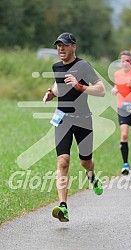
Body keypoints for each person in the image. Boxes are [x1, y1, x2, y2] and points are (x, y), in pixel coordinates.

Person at [43, 32, 106, 222]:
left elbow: (101, 90)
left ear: (73, 47)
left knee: (85, 161)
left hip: (83, 119)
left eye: (64, 45)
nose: (60, 49)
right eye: (58, 46)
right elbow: (59, 83)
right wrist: (51, 93)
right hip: (62, 118)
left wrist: (80, 87)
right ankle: (63, 207)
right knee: (63, 161)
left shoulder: (83, 66)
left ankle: (91, 175)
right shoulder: (56, 66)